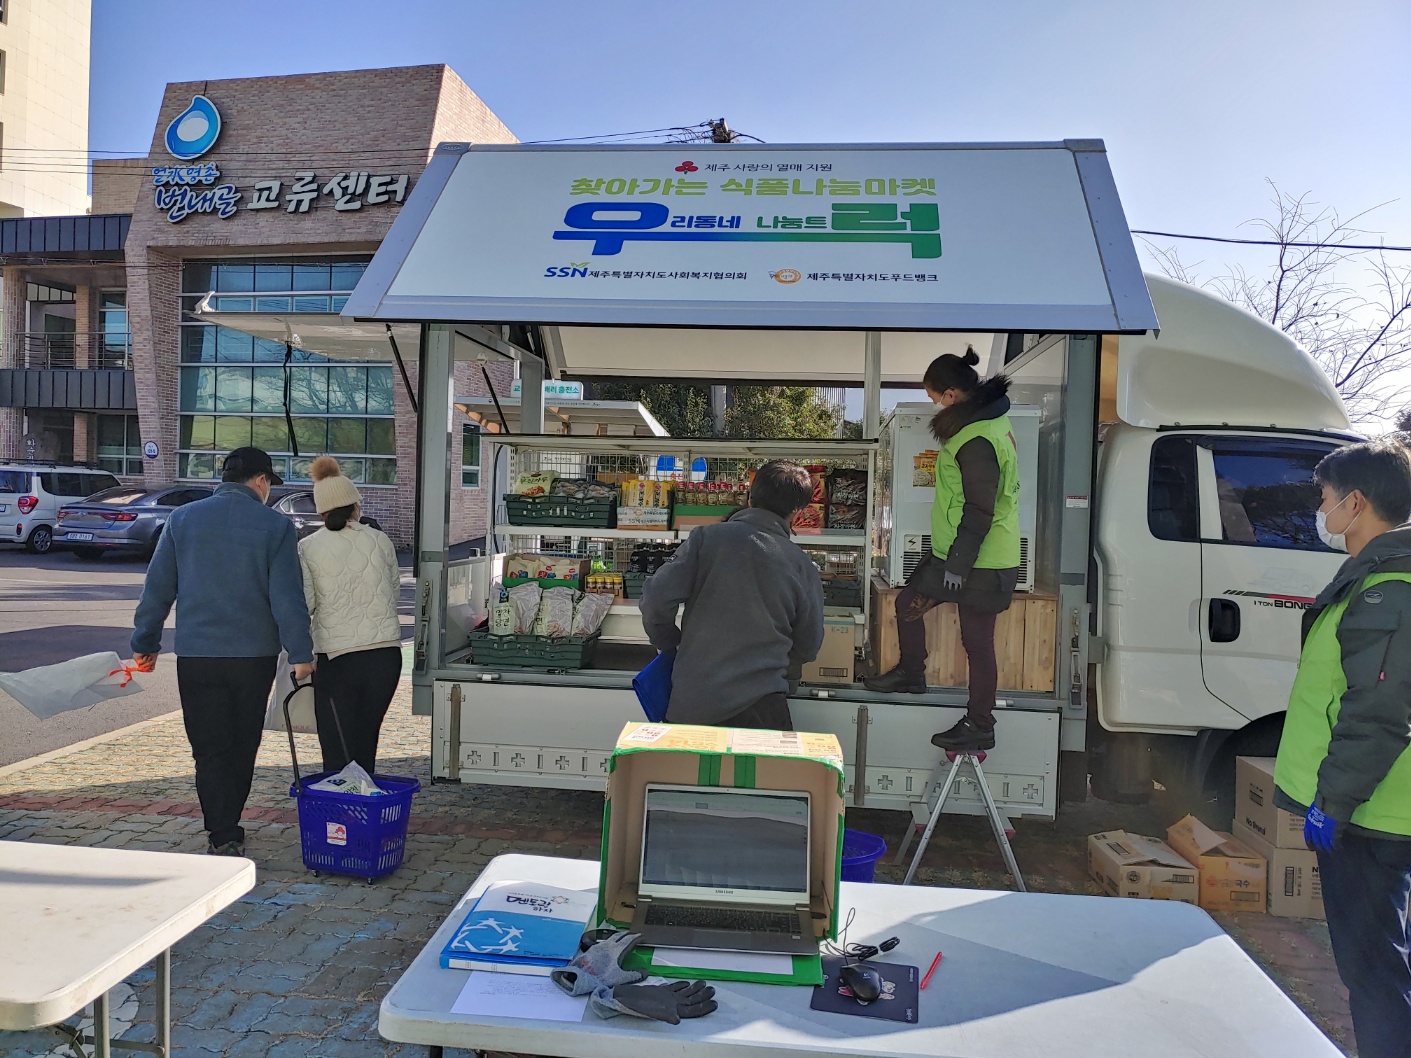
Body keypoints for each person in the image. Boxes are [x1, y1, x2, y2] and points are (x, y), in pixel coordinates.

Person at [1273, 440, 1411, 1058]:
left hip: (1371, 817)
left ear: (1354, 504)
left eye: (1324, 497)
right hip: (1369, 809)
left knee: (1374, 973)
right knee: (1379, 965)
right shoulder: (1376, 578)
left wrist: (1333, 803)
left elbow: (1378, 711)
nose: (1318, 510)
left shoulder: (1389, 589)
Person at [131, 447, 313, 856]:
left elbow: (157, 590)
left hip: (197, 656)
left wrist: (146, 643)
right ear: (261, 481)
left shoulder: (182, 519)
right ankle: (229, 822)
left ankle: (221, 829)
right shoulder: (275, 526)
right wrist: (301, 654)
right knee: (242, 742)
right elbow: (288, 598)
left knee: (209, 746)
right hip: (253, 658)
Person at [864, 347, 1020, 753]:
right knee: (908, 605)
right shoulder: (983, 424)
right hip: (960, 554)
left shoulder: (977, 438)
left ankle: (980, 724)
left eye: (933, 395)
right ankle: (911, 673)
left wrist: (959, 564)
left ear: (951, 394)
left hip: (982, 561)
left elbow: (980, 509)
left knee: (977, 643)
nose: (932, 402)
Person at [640, 460, 824, 731]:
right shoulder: (801, 565)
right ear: (797, 513)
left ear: (750, 497)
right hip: (763, 707)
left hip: (694, 702)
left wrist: (669, 644)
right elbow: (809, 644)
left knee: (690, 761)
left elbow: (656, 598)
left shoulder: (705, 539)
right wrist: (788, 676)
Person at [298, 456, 403, 775]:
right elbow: (393, 591)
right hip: (385, 655)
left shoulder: (308, 547)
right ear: (355, 505)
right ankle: (364, 799)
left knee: (337, 747)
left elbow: (306, 604)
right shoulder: (380, 539)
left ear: (322, 511)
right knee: (366, 740)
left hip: (338, 658)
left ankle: (340, 806)